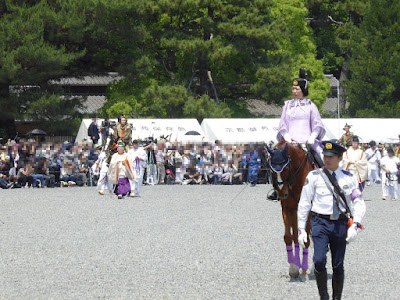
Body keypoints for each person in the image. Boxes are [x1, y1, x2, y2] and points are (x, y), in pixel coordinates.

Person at [298, 141, 366, 300]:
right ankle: (324, 296)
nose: (327, 159)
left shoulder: (349, 178)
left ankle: (337, 298)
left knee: (338, 265)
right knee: (319, 261)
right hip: (320, 222)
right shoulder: (314, 176)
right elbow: (304, 203)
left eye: (331, 157)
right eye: (325, 156)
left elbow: (358, 202)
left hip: (340, 224)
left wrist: (355, 225)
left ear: (340, 158)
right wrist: (301, 229)